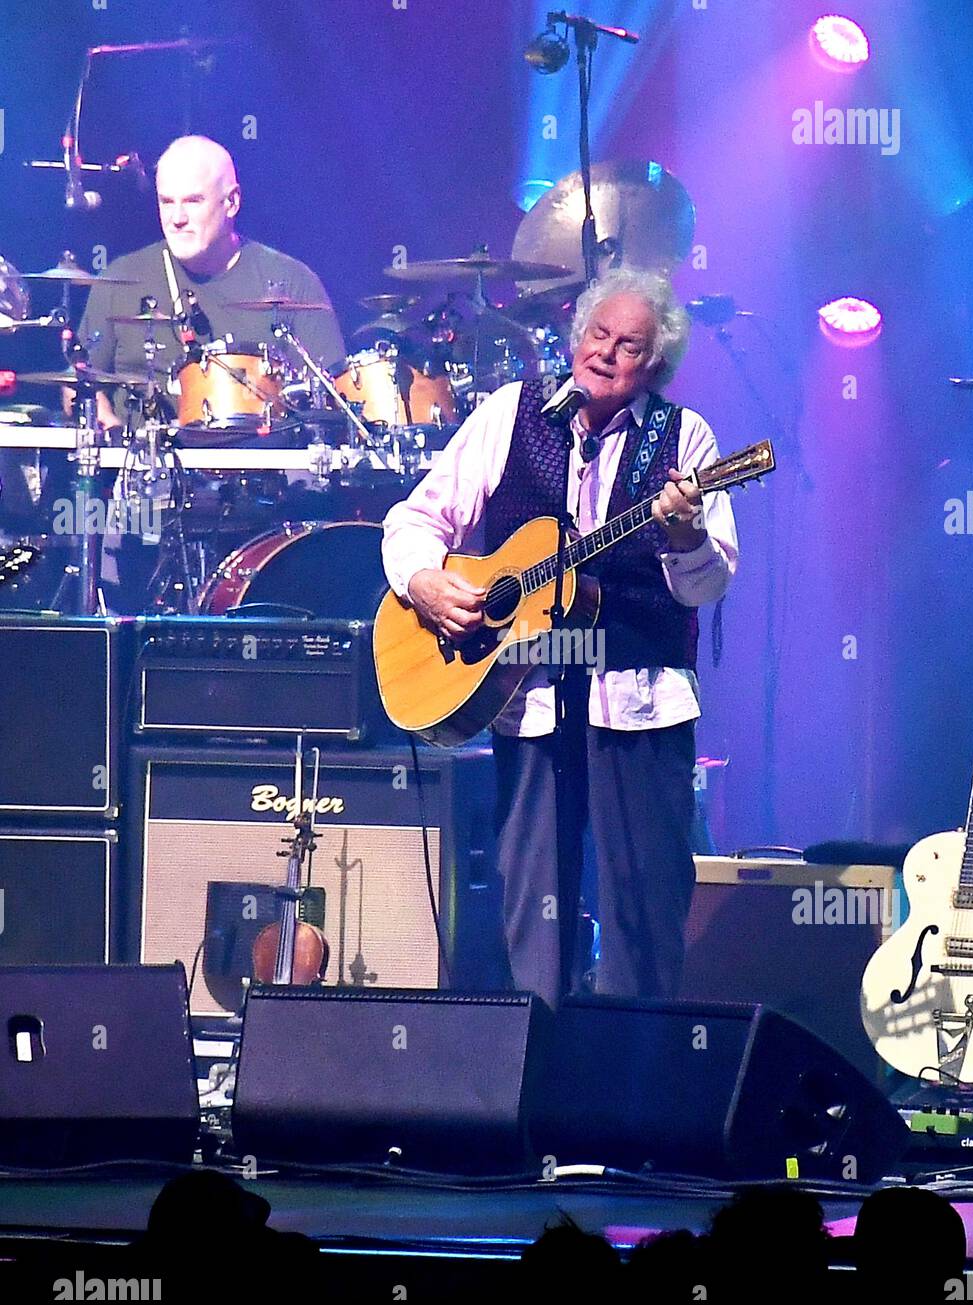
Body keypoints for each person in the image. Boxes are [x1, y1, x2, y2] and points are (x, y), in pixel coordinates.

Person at [381, 267, 738, 1006]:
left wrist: (684, 535)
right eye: (599, 335)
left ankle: (636, 1088)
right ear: (577, 338)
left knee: (643, 909)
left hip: (637, 700)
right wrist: (423, 582)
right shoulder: (511, 413)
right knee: (533, 913)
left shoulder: (686, 438)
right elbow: (413, 520)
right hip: (530, 698)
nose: (606, 353)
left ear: (654, 364)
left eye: (629, 345)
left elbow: (709, 583)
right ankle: (537, 1082)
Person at [74, 135, 345, 429]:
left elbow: (331, 400)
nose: (177, 218)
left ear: (231, 202)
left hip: (264, 465)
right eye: (166, 202)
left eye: (193, 201)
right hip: (145, 467)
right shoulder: (122, 278)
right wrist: (111, 433)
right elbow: (80, 381)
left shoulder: (292, 282)